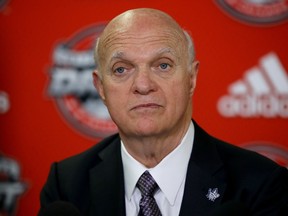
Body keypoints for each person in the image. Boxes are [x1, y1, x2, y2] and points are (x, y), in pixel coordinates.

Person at [38, 8, 288, 216]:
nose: (144, 85)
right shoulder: (67, 186)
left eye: (163, 65)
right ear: (100, 87)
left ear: (191, 78)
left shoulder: (261, 185)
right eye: (121, 70)